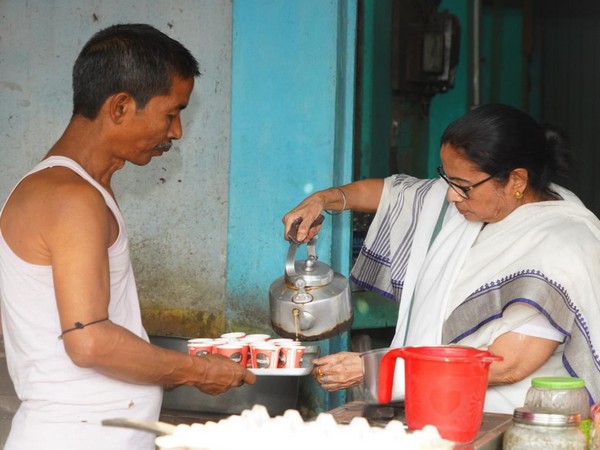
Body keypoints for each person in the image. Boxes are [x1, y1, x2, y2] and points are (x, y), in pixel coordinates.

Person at [0, 24, 255, 450]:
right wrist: (198, 371)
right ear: (120, 107)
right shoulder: (70, 197)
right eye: (171, 113)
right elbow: (90, 341)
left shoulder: (78, 190)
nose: (176, 132)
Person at [282, 103, 600, 414]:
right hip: (435, 410)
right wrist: (323, 199)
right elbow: (393, 193)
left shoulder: (563, 243)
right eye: (446, 179)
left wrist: (384, 369)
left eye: (462, 187)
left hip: (509, 421)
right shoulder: (461, 204)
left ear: (516, 180)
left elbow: (508, 364)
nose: (449, 195)